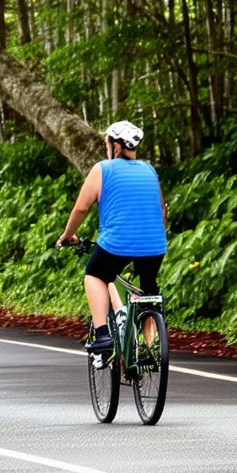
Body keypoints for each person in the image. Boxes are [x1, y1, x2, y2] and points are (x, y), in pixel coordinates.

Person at [56, 121, 167, 354]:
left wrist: (68, 235)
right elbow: (161, 210)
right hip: (155, 245)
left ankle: (102, 336)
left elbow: (80, 209)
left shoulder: (102, 169)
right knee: (149, 290)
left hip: (116, 244)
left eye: (107, 142)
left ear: (115, 146)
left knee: (95, 275)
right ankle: (148, 349)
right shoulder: (149, 170)